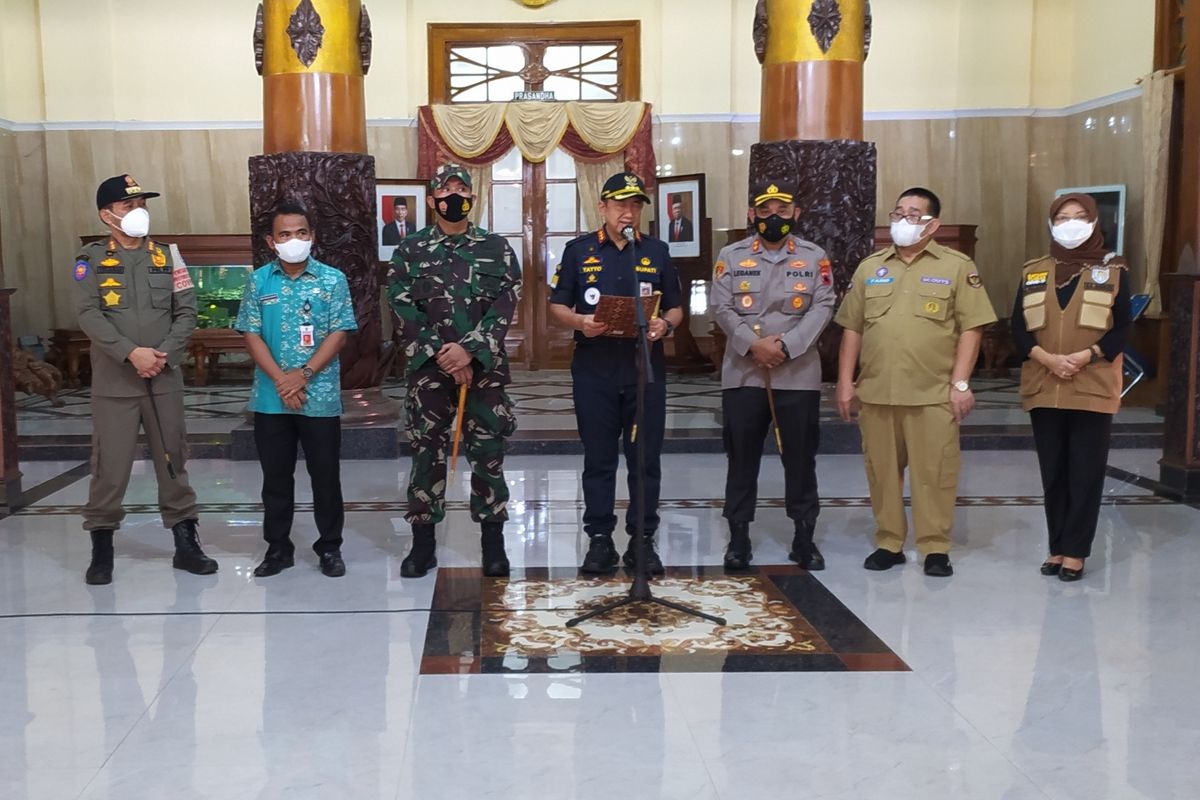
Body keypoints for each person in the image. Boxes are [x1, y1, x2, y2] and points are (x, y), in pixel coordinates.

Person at [835, 187, 997, 577]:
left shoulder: (957, 266)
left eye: (912, 214)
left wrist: (960, 384)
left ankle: (934, 547)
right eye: (897, 213)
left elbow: (971, 329)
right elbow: (852, 329)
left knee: (935, 474)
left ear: (932, 224)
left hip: (931, 393)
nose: (902, 221)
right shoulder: (870, 267)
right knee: (882, 472)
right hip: (877, 392)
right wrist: (845, 381)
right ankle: (889, 542)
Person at [72, 174, 218, 585]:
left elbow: (187, 311)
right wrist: (130, 353)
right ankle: (102, 550)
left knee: (173, 460)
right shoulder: (91, 259)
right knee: (110, 468)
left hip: (163, 378)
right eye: (128, 206)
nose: (139, 212)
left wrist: (164, 354)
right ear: (107, 215)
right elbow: (88, 314)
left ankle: (186, 544)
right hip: (115, 384)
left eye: (142, 205)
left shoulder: (168, 256)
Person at [387, 163, 522, 579]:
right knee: (426, 453)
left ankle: (493, 543)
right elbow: (401, 306)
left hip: (485, 372)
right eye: (445, 190)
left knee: (488, 454)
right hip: (429, 371)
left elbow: (505, 304)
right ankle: (423, 544)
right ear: (431, 200)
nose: (453, 196)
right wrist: (443, 354)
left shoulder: (496, 248)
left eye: (461, 189)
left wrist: (470, 352)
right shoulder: (409, 251)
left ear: (472, 199)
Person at [548, 172, 684, 575]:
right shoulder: (578, 251)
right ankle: (600, 540)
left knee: (645, 460)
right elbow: (557, 305)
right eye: (621, 204)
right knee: (600, 459)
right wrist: (579, 322)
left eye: (636, 205)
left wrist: (666, 326)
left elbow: (675, 306)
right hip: (595, 371)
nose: (629, 212)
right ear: (603, 207)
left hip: (644, 371)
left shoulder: (656, 251)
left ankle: (643, 539)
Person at [712, 179, 835, 571]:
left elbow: (824, 305)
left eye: (782, 211)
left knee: (800, 458)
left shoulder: (815, 258)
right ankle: (739, 537)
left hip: (797, 374)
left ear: (795, 214)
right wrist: (754, 344)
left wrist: (787, 346)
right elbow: (722, 306)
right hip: (744, 375)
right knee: (741, 457)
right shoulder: (731, 256)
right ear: (752, 215)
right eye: (765, 211)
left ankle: (804, 537)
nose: (774, 218)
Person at [1011, 193, 1132, 582]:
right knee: (1054, 472)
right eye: (1062, 218)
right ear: (1051, 224)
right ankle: (1056, 547)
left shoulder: (1113, 270)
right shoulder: (1034, 271)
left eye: (1080, 217)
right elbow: (1018, 328)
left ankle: (1076, 552)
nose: (1071, 224)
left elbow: (1124, 329)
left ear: (1095, 222)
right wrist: (1047, 359)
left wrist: (1087, 354)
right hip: (1044, 384)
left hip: (1091, 384)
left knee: (1085, 471)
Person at [234, 200, 358, 578]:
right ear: (272, 241)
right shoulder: (258, 281)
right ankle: (278, 548)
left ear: (312, 237)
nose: (294, 240)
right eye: (285, 234)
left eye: (301, 233)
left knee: (325, 476)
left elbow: (340, 333)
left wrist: (302, 375)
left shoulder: (332, 279)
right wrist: (281, 380)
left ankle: (330, 548)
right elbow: (251, 334)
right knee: (275, 478)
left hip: (317, 396)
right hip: (271, 398)